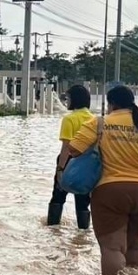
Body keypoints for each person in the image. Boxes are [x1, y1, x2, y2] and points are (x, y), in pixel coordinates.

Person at [60, 85, 138, 275]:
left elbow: (74, 149)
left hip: (110, 191)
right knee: (135, 246)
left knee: (112, 249)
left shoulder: (99, 123)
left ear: (111, 103)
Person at [48, 84, 95, 229]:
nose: (66, 102)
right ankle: (83, 233)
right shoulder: (95, 119)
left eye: (67, 98)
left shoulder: (69, 119)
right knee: (83, 201)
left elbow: (66, 148)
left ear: (75, 99)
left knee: (58, 197)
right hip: (87, 164)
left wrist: (60, 169)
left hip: (69, 162)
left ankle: (53, 229)